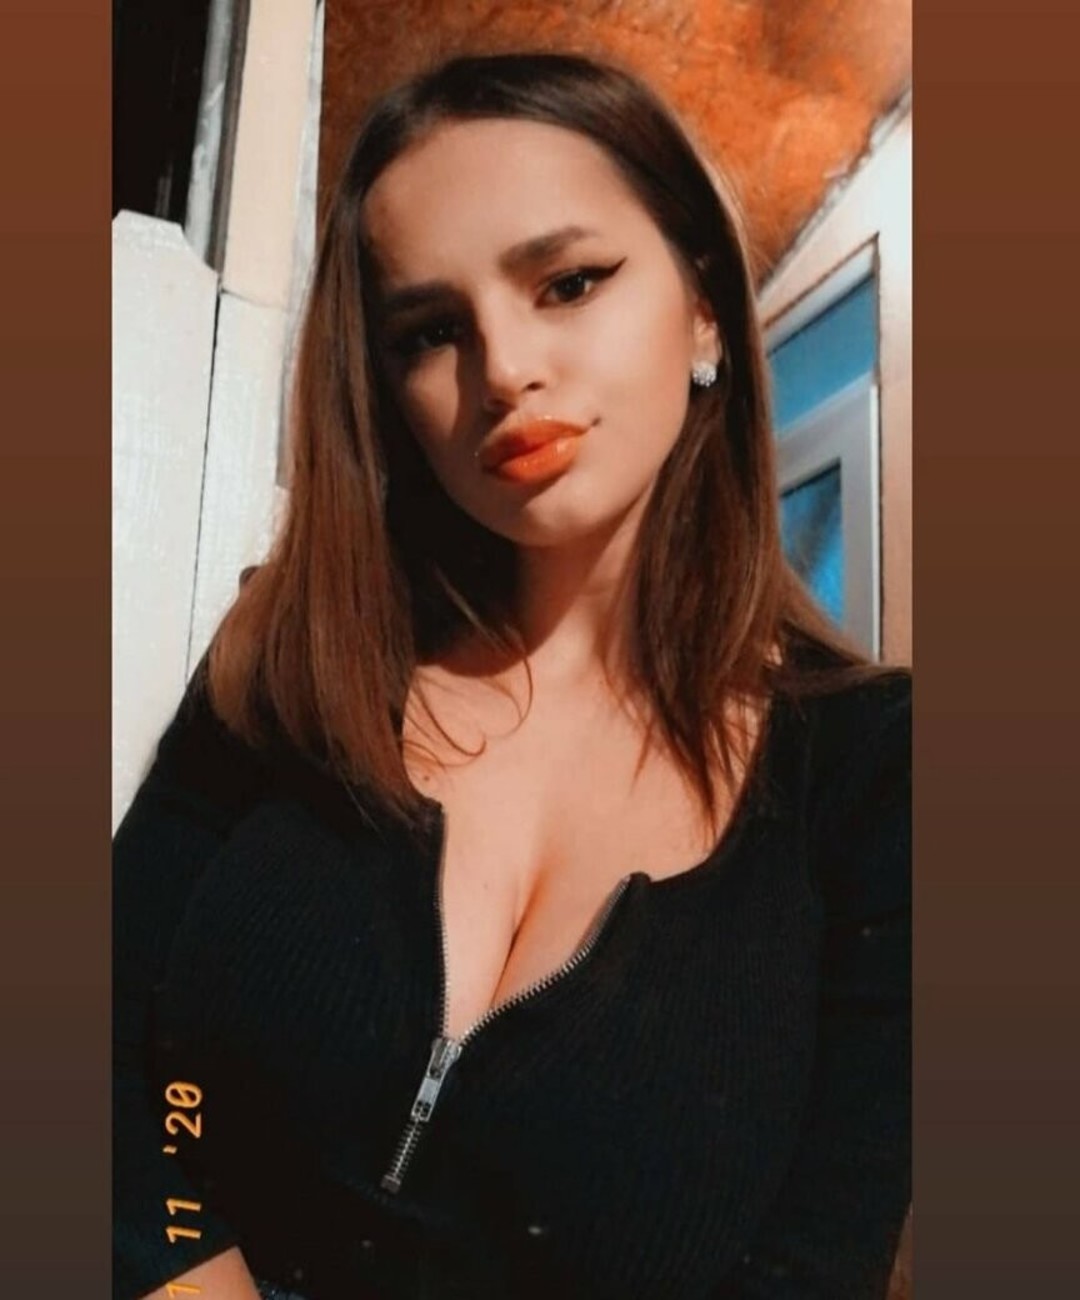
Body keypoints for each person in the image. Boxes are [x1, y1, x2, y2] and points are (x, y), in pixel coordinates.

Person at [113, 50, 911, 1300]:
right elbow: (113, 1050)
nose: (503, 368)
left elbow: (816, 1259)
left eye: (570, 282)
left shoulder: (880, 774)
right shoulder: (295, 661)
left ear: (707, 305)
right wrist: (183, 1260)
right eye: (430, 331)